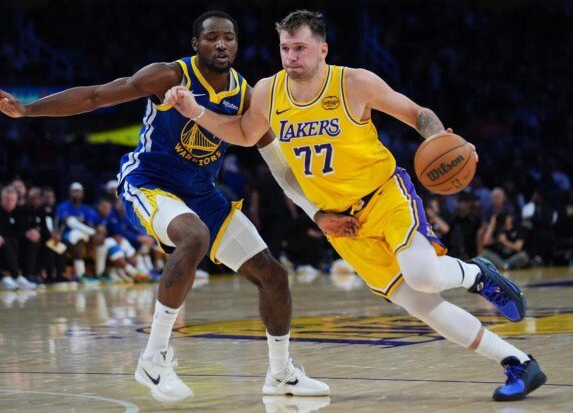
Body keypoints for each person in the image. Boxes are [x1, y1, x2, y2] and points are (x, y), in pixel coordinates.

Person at [164, 10, 546, 402]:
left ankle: (477, 274)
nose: (291, 57)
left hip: (384, 196)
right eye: (285, 48)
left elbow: (418, 115)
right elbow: (245, 133)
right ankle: (518, 362)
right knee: (421, 305)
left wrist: (443, 141)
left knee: (422, 274)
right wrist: (196, 112)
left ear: (322, 50)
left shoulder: (354, 83)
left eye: (300, 48)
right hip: (343, 223)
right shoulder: (267, 91)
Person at [0, 11, 351, 402]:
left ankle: (280, 374)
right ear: (195, 44)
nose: (221, 44)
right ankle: (153, 358)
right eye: (211, 38)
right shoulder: (169, 76)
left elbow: (278, 163)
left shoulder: (246, 94)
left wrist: (316, 212)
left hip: (201, 193)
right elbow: (95, 96)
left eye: (228, 38)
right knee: (194, 236)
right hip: (149, 182)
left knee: (273, 276)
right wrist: (27, 109)